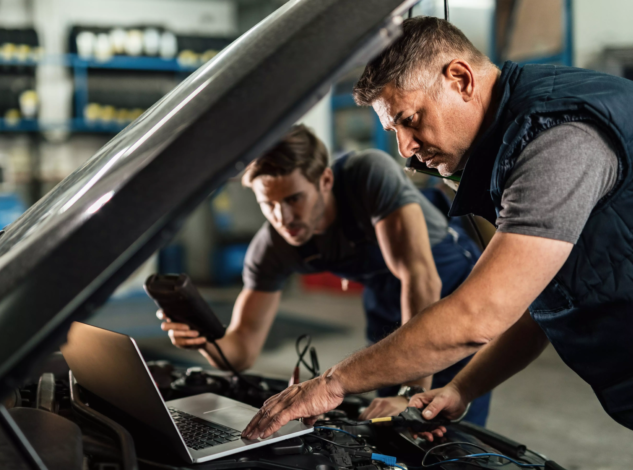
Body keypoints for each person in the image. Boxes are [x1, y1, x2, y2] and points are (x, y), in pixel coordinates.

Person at [242, 16, 633, 442]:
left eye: (410, 120)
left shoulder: (557, 142)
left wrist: (331, 384)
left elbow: (479, 315)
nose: (404, 148)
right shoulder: (510, 144)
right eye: (393, 130)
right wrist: (462, 388)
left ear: (460, 79)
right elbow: (537, 305)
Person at [159, 124, 490, 425]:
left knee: (444, 425)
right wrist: (204, 339)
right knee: (385, 426)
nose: (282, 216)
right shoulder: (272, 247)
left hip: (446, 291)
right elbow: (241, 351)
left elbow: (419, 277)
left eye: (294, 198)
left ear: (326, 181)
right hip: (386, 303)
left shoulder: (368, 175)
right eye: (268, 203)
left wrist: (408, 394)